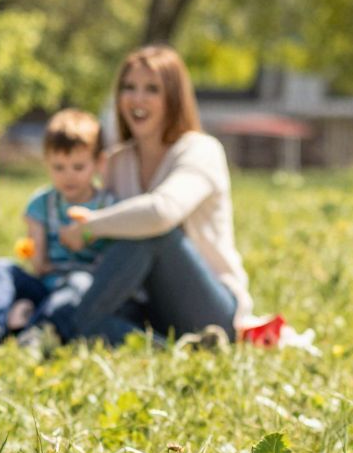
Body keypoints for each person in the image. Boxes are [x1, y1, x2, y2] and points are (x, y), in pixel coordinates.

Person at [57, 46, 252, 346]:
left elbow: (161, 213)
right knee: (91, 304)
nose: (137, 99)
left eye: (152, 89)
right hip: (147, 304)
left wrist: (90, 226)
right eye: (129, 87)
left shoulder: (200, 150)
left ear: (173, 97)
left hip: (210, 308)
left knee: (153, 232)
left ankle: (78, 323)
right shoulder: (119, 161)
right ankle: (162, 346)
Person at [0, 109, 112, 352]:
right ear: (47, 163)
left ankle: (35, 333)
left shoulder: (106, 205)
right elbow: (39, 264)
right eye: (59, 167)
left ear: (98, 163)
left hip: (79, 288)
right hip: (45, 284)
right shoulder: (42, 204)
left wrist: (87, 236)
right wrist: (36, 252)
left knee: (79, 283)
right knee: (3, 267)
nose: (69, 176)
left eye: (78, 167)